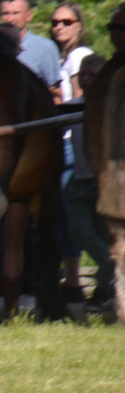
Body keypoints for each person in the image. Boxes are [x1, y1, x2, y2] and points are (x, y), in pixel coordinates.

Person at [64, 53, 116, 312]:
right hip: (79, 181)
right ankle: (112, 271)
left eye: (92, 75)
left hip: (101, 182)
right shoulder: (72, 106)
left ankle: (104, 292)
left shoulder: (110, 107)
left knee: (104, 235)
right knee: (80, 231)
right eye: (82, 74)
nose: (85, 79)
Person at [50, 1, 93, 301]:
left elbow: (77, 103)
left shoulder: (79, 56)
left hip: (70, 142)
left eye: (66, 22)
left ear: (79, 25)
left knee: (71, 215)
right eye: (55, 22)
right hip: (62, 140)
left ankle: (76, 280)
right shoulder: (61, 58)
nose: (59, 27)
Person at [0, 0, 61, 96]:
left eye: (16, 13)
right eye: (5, 13)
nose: (10, 19)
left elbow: (55, 93)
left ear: (29, 16)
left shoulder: (44, 48)